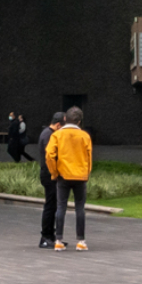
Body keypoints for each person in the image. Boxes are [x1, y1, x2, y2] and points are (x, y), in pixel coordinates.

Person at [47, 107, 94, 251]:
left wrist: (54, 172)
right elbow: (89, 157)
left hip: (63, 175)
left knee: (61, 207)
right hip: (80, 175)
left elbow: (49, 154)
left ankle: (58, 240)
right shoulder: (84, 136)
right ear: (79, 121)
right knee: (80, 208)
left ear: (65, 119)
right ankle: (81, 241)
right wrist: (86, 173)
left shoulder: (57, 135)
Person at [34, 111, 64, 248]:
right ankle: (45, 237)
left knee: (53, 205)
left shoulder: (48, 133)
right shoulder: (49, 135)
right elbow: (50, 157)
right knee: (50, 205)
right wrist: (55, 173)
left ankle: (51, 236)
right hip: (49, 174)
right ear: (58, 125)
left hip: (49, 174)